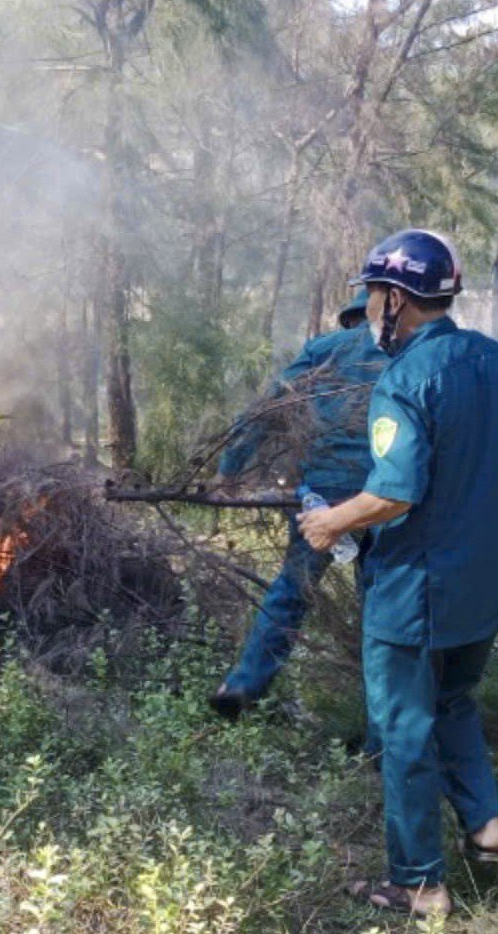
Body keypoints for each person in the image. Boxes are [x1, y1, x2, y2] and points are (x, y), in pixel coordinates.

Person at [298, 229, 498, 917]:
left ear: (397, 299)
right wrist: (469, 485)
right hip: (487, 582)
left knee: (404, 728)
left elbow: (396, 493)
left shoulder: (405, 379)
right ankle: (487, 824)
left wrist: (330, 523)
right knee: (453, 701)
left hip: (417, 588)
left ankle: (417, 884)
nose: (370, 301)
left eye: (375, 291)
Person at [209, 290, 386, 719]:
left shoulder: (323, 350)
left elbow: (265, 410)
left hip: (321, 497)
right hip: (385, 496)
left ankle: (244, 684)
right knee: (380, 609)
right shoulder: (411, 355)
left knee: (292, 588)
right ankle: (382, 734)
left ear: (352, 317)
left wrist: (228, 471)